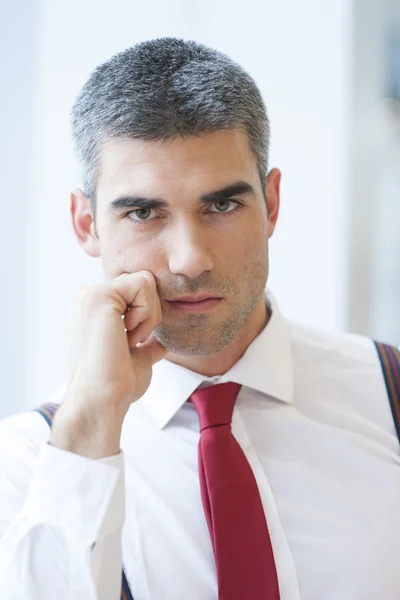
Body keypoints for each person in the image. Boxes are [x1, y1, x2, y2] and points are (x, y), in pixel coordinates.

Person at [0, 37, 399, 600]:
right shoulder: (29, 464)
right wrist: (91, 419)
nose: (189, 259)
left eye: (222, 205)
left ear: (273, 204)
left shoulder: (390, 395)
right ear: (87, 224)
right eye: (143, 212)